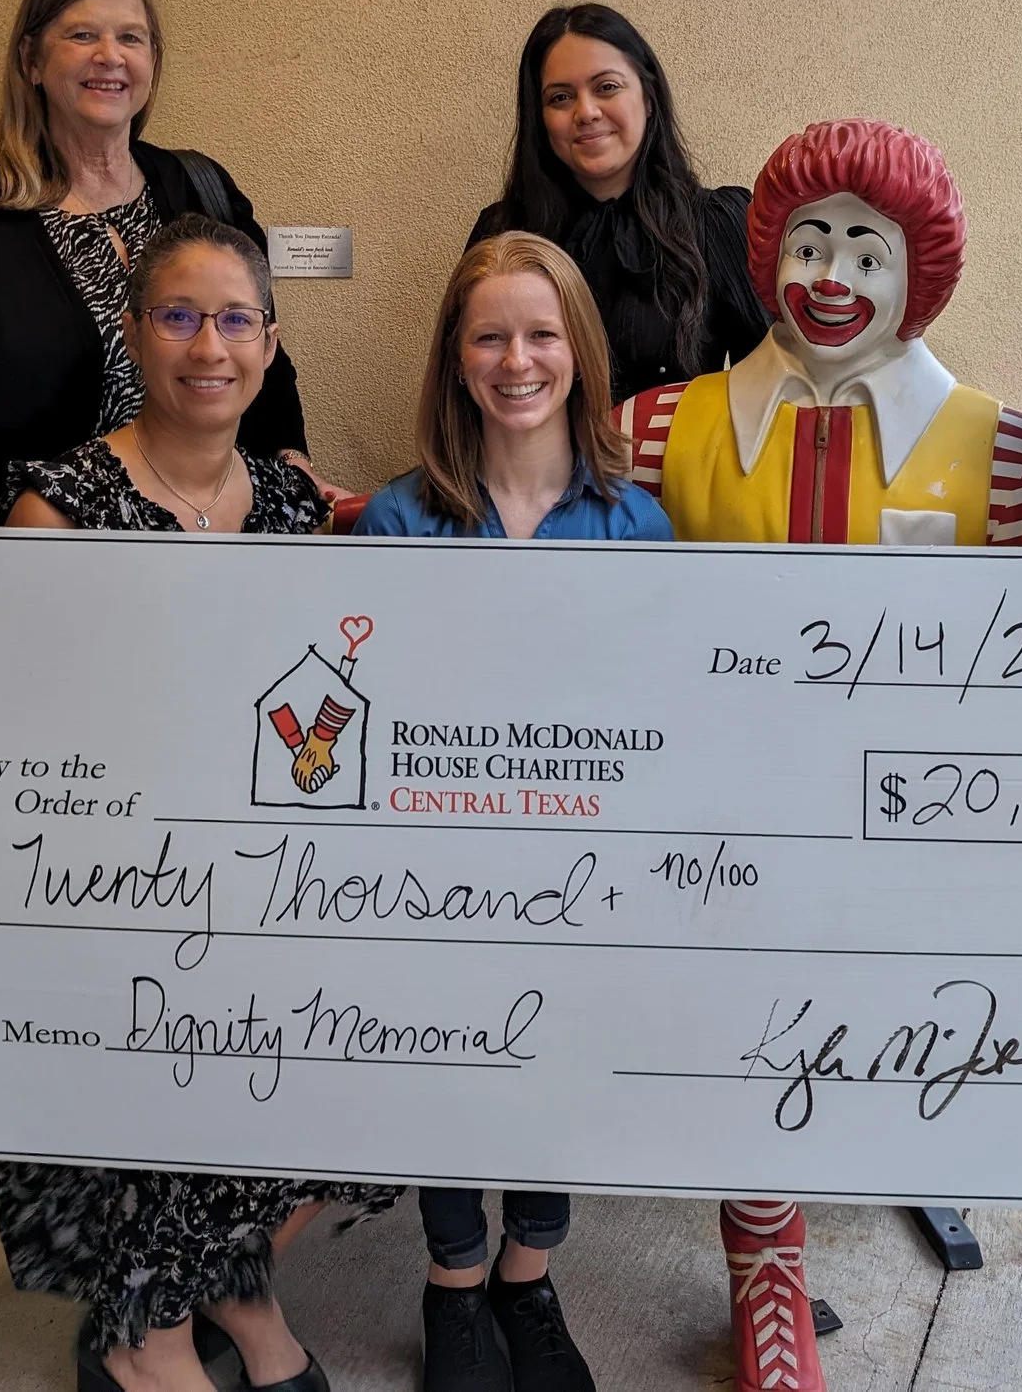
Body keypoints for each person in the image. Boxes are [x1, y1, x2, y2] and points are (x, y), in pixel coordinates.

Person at [618, 117, 1022, 1392]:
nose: (832, 277)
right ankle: (766, 1276)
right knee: (740, 1046)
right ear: (766, 258)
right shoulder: (651, 432)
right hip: (713, 830)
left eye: (866, 252)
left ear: (917, 275)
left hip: (911, 840)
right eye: (810, 243)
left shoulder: (1011, 456)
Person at [0, 215, 388, 1392]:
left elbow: (318, 709)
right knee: (153, 1037)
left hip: (248, 908)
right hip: (91, 914)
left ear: (270, 345)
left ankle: (204, 1285)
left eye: (233, 319)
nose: (206, 344)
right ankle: (149, 1338)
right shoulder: (58, 510)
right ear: (133, 332)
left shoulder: (287, 505)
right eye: (177, 314)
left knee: (374, 1076)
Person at [357, 231, 664, 1390]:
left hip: (579, 873)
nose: (516, 358)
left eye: (541, 333)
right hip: (438, 871)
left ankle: (527, 1276)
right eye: (489, 334)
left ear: (579, 353)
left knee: (550, 1064)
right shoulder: (400, 519)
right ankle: (450, 1284)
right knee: (448, 1060)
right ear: (455, 357)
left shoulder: (635, 523)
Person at [0, 0, 313, 527]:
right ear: (31, 60)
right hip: (55, 550)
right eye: (82, 35)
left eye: (131, 37)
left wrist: (291, 464)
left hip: (206, 530)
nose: (109, 56)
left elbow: (260, 349)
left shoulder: (200, 188)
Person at [469, 3, 768, 404]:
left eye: (606, 87)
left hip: (675, 466)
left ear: (648, 97)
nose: (586, 112)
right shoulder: (502, 233)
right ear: (540, 118)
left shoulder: (717, 224)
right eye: (560, 97)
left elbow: (771, 385)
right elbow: (471, 382)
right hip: (536, 468)